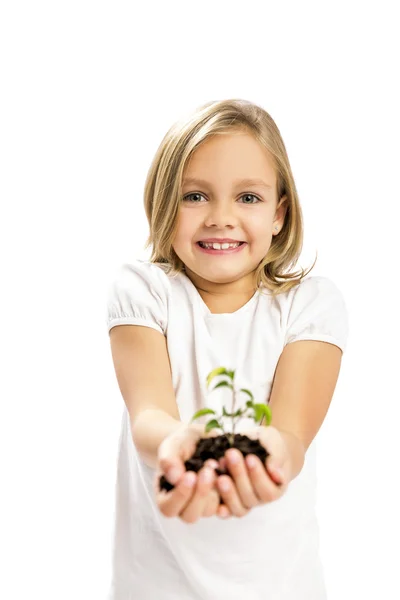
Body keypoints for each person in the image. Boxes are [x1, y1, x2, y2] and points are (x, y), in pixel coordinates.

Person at [105, 98, 349, 600]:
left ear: (280, 213)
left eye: (248, 198)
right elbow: (149, 411)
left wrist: (270, 458)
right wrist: (177, 446)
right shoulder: (144, 291)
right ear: (164, 205)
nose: (221, 218)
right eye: (195, 196)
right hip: (157, 586)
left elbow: (289, 432)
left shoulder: (310, 304)